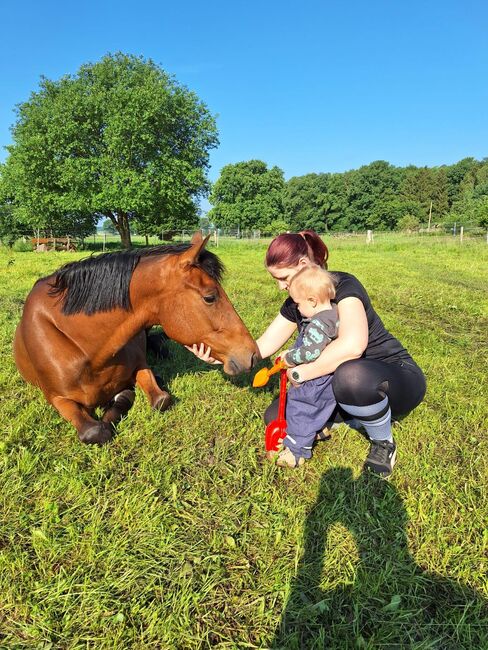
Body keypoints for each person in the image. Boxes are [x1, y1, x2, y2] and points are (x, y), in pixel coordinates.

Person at [187, 230, 426, 478]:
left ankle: (383, 442)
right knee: (275, 415)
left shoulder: (341, 286)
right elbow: (263, 346)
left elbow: (353, 346)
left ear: (302, 265)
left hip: (391, 379)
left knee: (351, 375)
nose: (280, 286)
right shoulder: (296, 302)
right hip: (338, 386)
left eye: (283, 277)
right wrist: (220, 355)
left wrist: (303, 372)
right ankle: (350, 418)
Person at [276, 265, 339, 468]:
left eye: (298, 303)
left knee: (299, 408)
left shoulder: (316, 325)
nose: (296, 308)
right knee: (320, 405)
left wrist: (290, 357)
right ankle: (317, 430)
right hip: (329, 375)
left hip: (313, 378)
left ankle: (295, 451)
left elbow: (310, 352)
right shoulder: (334, 313)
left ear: (312, 301)